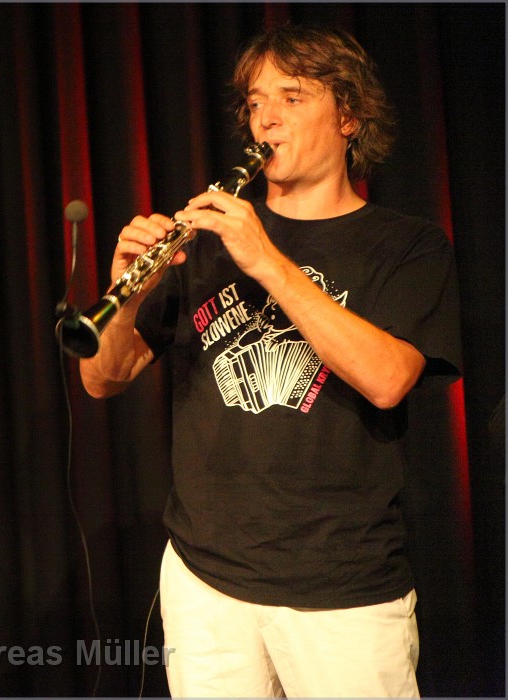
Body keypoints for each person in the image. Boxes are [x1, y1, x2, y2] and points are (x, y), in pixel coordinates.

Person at [79, 24, 461, 697]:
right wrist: (125, 296)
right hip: (205, 583)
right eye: (256, 102)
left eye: (292, 97)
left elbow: (388, 380)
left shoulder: (407, 246)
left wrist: (267, 262)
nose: (266, 119)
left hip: (342, 590)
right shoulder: (206, 238)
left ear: (349, 116)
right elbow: (102, 379)